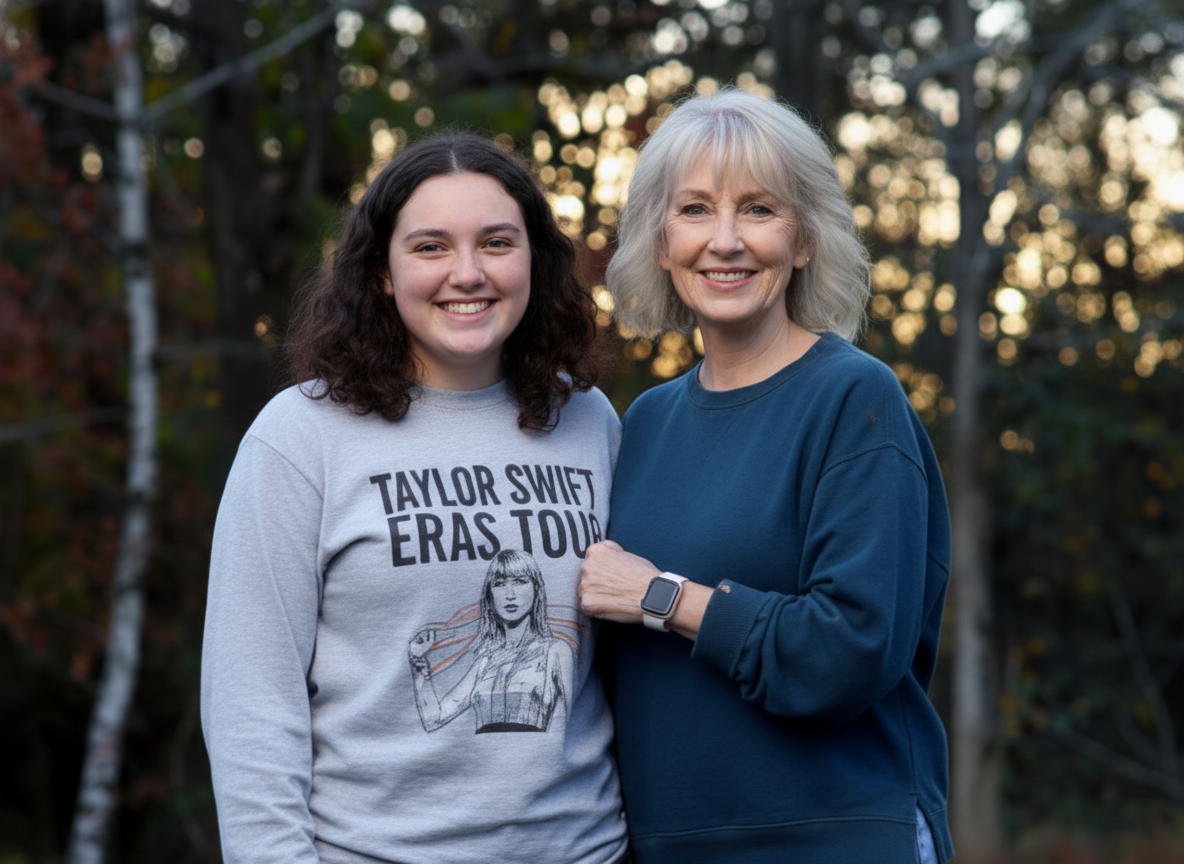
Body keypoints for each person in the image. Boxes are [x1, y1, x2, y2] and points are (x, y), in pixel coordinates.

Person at [202, 133, 627, 864]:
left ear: (534, 262)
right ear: (381, 274)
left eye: (497, 242)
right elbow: (251, 700)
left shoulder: (589, 422)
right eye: (430, 247)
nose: (468, 273)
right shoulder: (301, 437)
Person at [577, 89, 953, 864]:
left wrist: (662, 598)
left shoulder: (855, 399)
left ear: (806, 238)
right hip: (666, 848)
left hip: (832, 839)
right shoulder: (643, 423)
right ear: (659, 239)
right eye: (693, 211)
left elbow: (848, 651)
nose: (725, 242)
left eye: (757, 210)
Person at [408, 548, 574, 733]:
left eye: (520, 581)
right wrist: (418, 661)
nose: (509, 594)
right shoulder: (485, 662)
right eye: (500, 583)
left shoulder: (555, 651)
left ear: (537, 589)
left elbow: (577, 724)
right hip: (474, 761)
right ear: (490, 594)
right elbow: (434, 719)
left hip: (535, 758)